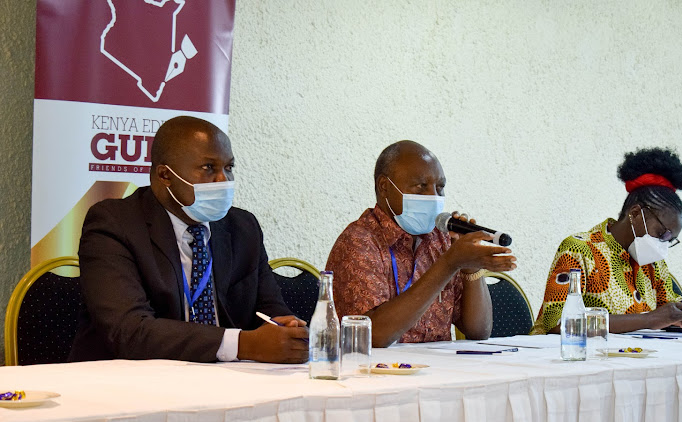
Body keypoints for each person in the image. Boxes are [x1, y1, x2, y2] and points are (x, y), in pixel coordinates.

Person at [69, 116, 308, 363]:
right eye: (209, 168)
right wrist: (241, 344)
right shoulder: (114, 224)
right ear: (165, 175)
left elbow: (270, 309)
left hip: (228, 381)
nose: (223, 181)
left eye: (229, 168)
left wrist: (287, 331)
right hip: (130, 382)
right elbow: (129, 331)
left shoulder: (242, 227)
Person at [326, 140, 517, 348]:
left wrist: (471, 267)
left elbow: (479, 330)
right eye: (421, 187)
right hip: (378, 375)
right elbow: (374, 337)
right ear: (384, 187)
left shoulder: (441, 239)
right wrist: (449, 264)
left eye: (440, 188)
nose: (433, 197)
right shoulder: (359, 241)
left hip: (437, 373)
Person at [531, 147, 682, 335]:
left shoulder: (653, 262)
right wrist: (647, 320)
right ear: (635, 214)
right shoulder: (579, 250)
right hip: (570, 360)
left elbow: (668, 314)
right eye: (661, 233)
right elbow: (557, 324)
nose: (663, 244)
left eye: (670, 239)